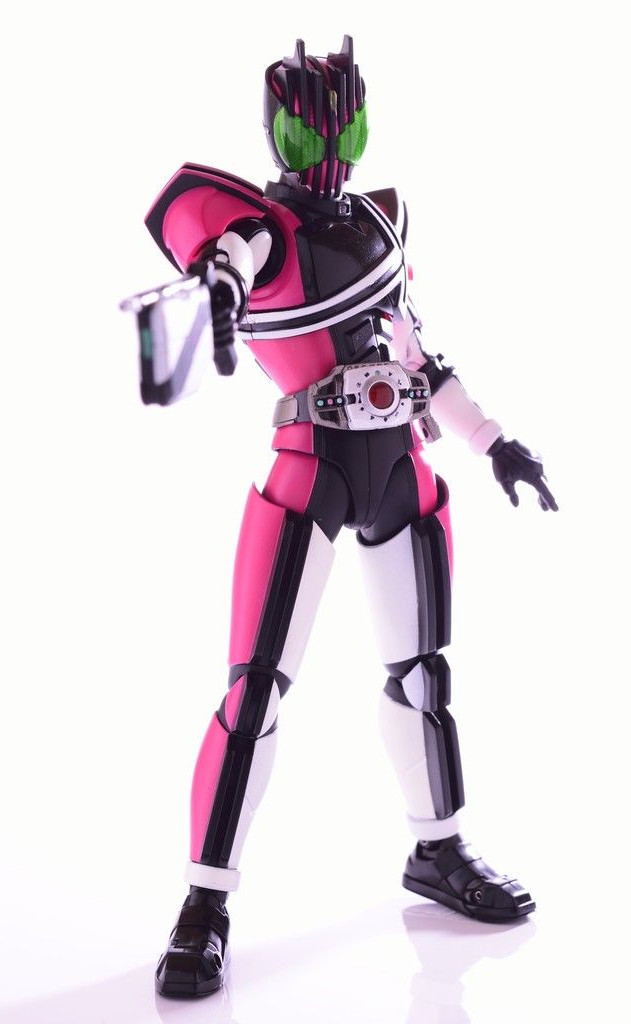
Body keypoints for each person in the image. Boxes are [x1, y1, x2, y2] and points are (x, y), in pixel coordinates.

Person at [137, 36, 557, 998]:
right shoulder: (262, 230)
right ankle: (204, 903)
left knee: (422, 674)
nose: (327, 150)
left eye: (342, 130)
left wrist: (494, 442)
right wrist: (219, 294)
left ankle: (437, 849)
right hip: (310, 465)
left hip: (399, 457)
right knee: (254, 694)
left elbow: (417, 355)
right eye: (307, 133)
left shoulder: (380, 224)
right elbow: (229, 258)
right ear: (277, 133)